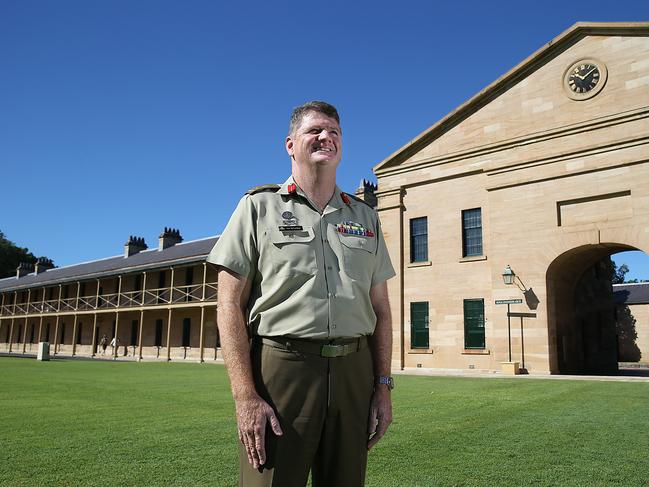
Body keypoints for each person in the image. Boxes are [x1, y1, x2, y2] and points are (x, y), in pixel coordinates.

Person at [207, 101, 395, 487]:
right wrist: (245, 396)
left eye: (334, 132)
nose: (326, 137)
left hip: (353, 374)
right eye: (315, 131)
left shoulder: (365, 218)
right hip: (282, 371)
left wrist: (382, 386)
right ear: (290, 145)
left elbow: (382, 310)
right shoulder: (257, 208)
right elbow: (228, 304)